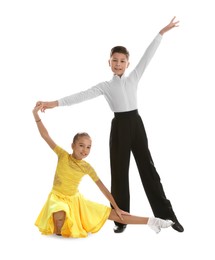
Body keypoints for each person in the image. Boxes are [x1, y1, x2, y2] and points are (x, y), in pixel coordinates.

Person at [36, 16, 184, 234]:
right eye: (114, 60)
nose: (118, 64)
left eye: (122, 61)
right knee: (119, 173)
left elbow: (148, 56)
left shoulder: (134, 77)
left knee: (148, 170)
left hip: (136, 123)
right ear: (109, 62)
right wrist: (53, 103)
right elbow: (81, 96)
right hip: (119, 127)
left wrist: (161, 32)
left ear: (127, 63)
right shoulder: (105, 86)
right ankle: (121, 219)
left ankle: (168, 216)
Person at [32, 104, 173, 238]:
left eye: (88, 147)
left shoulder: (87, 167)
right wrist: (36, 115)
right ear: (72, 145)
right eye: (81, 145)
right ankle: (62, 223)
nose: (84, 150)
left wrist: (116, 207)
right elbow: (45, 135)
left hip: (75, 200)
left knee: (115, 215)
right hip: (57, 197)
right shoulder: (62, 155)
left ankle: (153, 222)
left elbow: (103, 189)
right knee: (59, 215)